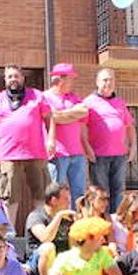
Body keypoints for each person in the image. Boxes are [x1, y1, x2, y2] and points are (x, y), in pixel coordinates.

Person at [0, 64, 53, 232]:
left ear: (22, 78)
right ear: (5, 80)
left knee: (41, 193)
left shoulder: (37, 96)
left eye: (16, 76)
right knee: (10, 196)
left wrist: (51, 140)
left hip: (36, 153)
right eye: (10, 77)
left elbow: (49, 118)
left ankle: (40, 230)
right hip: (9, 154)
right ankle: (10, 234)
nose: (13, 80)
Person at [84, 67, 135, 211]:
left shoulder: (120, 102)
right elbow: (81, 128)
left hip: (119, 155)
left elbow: (129, 125)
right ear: (97, 82)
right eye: (105, 79)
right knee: (100, 193)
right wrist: (87, 149)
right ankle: (102, 224)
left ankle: (116, 225)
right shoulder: (88, 102)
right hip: (98, 156)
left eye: (112, 79)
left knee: (118, 191)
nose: (109, 83)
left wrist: (133, 147)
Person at [43, 63, 92, 202]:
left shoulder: (74, 97)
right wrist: (71, 115)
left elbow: (83, 111)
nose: (73, 82)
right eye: (71, 79)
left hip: (77, 152)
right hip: (58, 153)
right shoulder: (45, 97)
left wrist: (60, 116)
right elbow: (52, 117)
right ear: (61, 80)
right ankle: (60, 222)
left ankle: (77, 222)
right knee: (57, 193)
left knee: (79, 193)